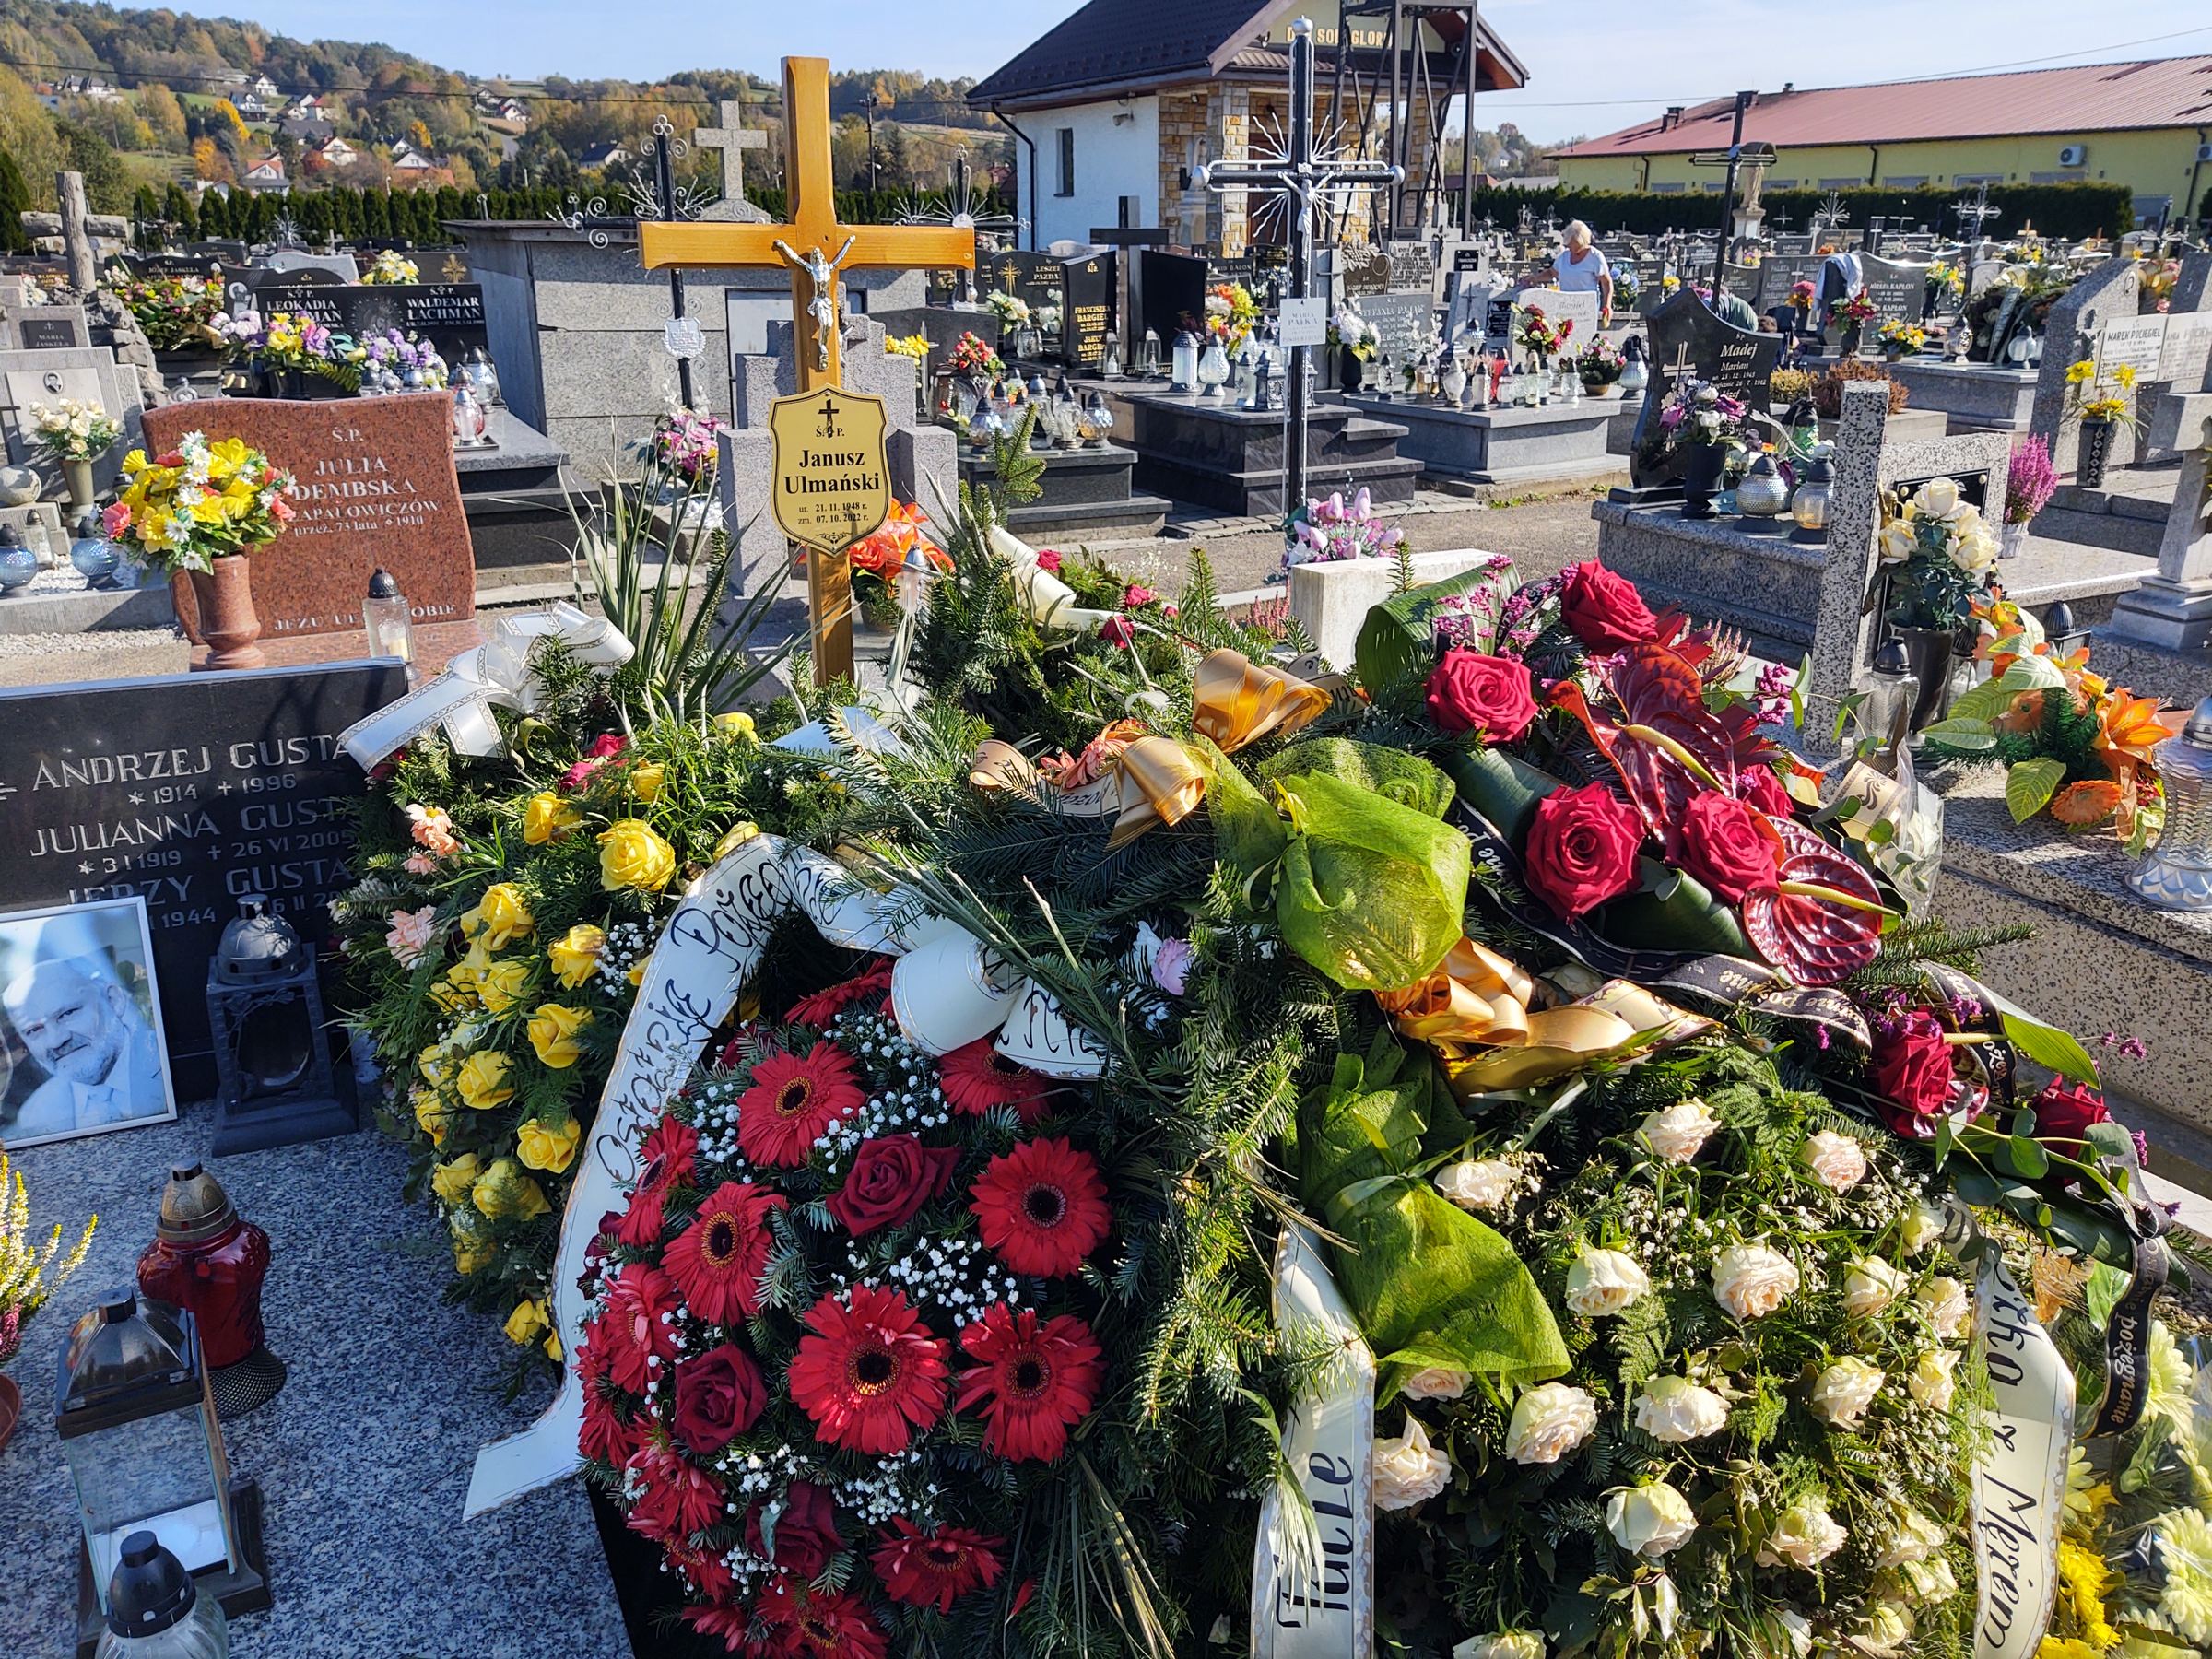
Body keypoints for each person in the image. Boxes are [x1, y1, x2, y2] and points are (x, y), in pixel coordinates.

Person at [2, 957, 168, 1143]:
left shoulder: (168, 1063)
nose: (56, 1041)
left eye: (67, 1013)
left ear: (114, 1001)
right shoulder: (35, 1115)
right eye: (33, 1030)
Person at [1552, 221, 1613, 326]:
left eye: (1573, 244)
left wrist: (1607, 305)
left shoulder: (1595, 257)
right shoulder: (1564, 256)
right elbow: (1552, 272)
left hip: (1585, 309)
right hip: (1565, 305)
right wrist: (1535, 278)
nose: (1570, 247)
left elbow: (1606, 282)